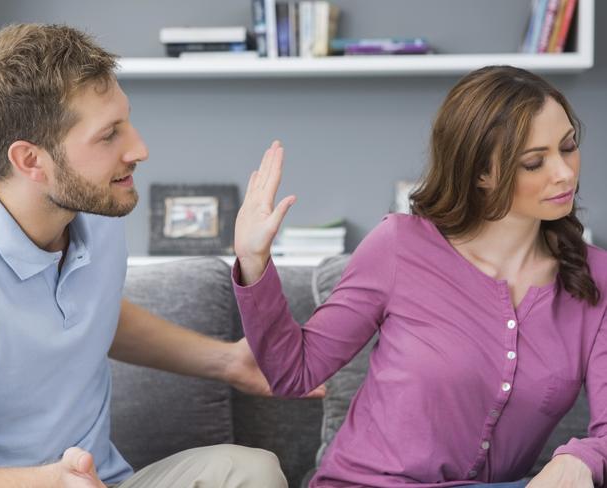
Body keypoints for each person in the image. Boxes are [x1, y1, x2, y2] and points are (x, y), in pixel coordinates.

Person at [0, 23, 317, 488]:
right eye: (109, 136)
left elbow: (92, 313)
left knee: (248, 471)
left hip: (106, 483)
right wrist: (50, 481)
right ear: (31, 160)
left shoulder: (95, 218)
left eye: (126, 122)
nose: (139, 149)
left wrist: (226, 361)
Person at [232, 65, 607, 487]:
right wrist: (253, 261)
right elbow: (293, 371)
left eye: (569, 146)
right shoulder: (398, 246)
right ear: (481, 173)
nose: (565, 172)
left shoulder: (596, 278)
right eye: (535, 162)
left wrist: (581, 458)